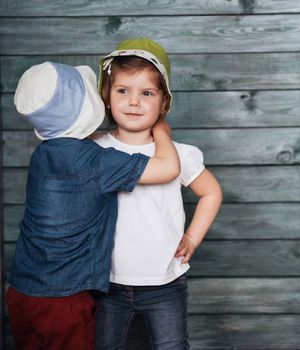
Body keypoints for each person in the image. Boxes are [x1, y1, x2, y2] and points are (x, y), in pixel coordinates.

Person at [6, 61, 180, 350]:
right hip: (64, 299)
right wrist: (161, 130)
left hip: (21, 291)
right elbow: (169, 167)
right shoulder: (98, 161)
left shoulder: (42, 154)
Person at [93, 37, 223, 349]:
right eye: (123, 90)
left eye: (146, 93)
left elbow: (211, 193)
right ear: (107, 97)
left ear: (163, 103)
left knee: (172, 346)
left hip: (165, 282)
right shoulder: (95, 148)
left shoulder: (179, 154)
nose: (133, 101)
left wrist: (191, 237)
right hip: (107, 281)